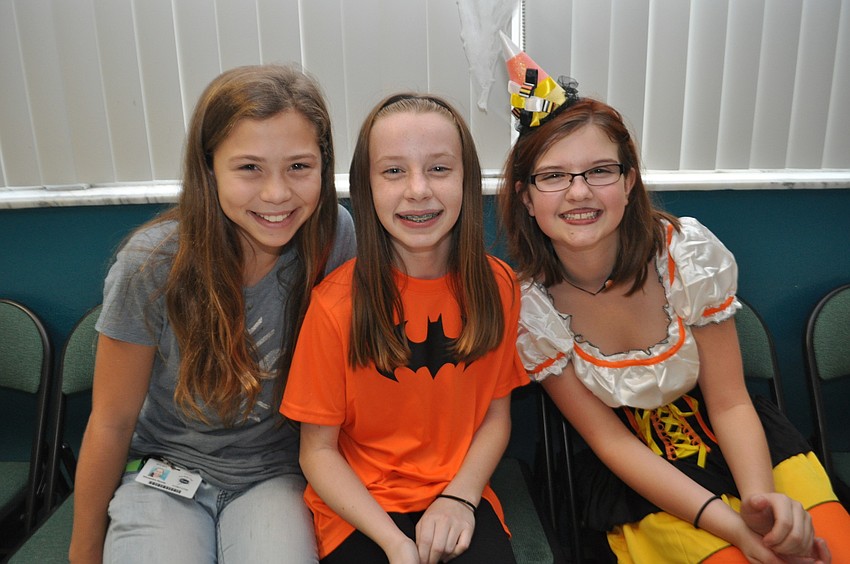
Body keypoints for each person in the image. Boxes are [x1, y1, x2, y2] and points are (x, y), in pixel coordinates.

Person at [497, 35, 850, 563]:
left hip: (747, 446)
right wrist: (734, 530)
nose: (579, 192)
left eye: (599, 170)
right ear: (525, 197)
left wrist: (758, 503)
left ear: (629, 179)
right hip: (642, 475)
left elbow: (730, 402)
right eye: (552, 176)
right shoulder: (532, 312)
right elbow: (611, 443)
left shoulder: (685, 256)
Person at [69, 64, 356, 563]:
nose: (276, 194)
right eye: (249, 168)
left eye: (299, 167)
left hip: (277, 474)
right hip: (163, 473)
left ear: (323, 166)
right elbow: (112, 421)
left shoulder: (335, 239)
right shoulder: (150, 263)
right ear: (209, 168)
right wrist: (83, 551)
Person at [281, 93, 527, 564]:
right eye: (393, 171)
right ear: (366, 185)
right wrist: (395, 543)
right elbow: (317, 452)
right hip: (359, 510)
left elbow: (496, 417)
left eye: (439, 168)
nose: (418, 190)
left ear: (467, 181)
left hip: (458, 494)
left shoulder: (499, 287)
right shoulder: (335, 305)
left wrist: (460, 498)